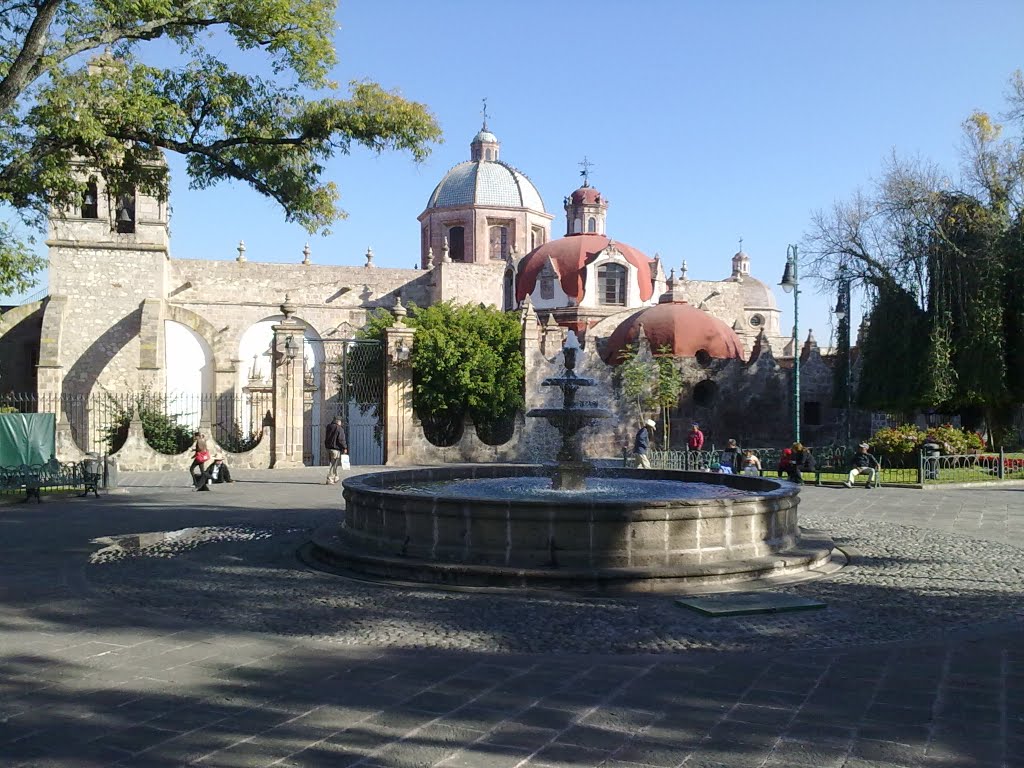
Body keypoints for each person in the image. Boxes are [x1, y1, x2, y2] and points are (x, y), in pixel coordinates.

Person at [324, 415, 349, 484]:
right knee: (333, 464)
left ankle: (336, 476)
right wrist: (344, 447)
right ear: (338, 421)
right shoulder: (339, 428)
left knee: (334, 463)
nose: (341, 423)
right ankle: (330, 479)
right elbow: (341, 439)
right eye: (340, 421)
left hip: (328, 448)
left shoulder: (329, 427)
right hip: (335, 449)